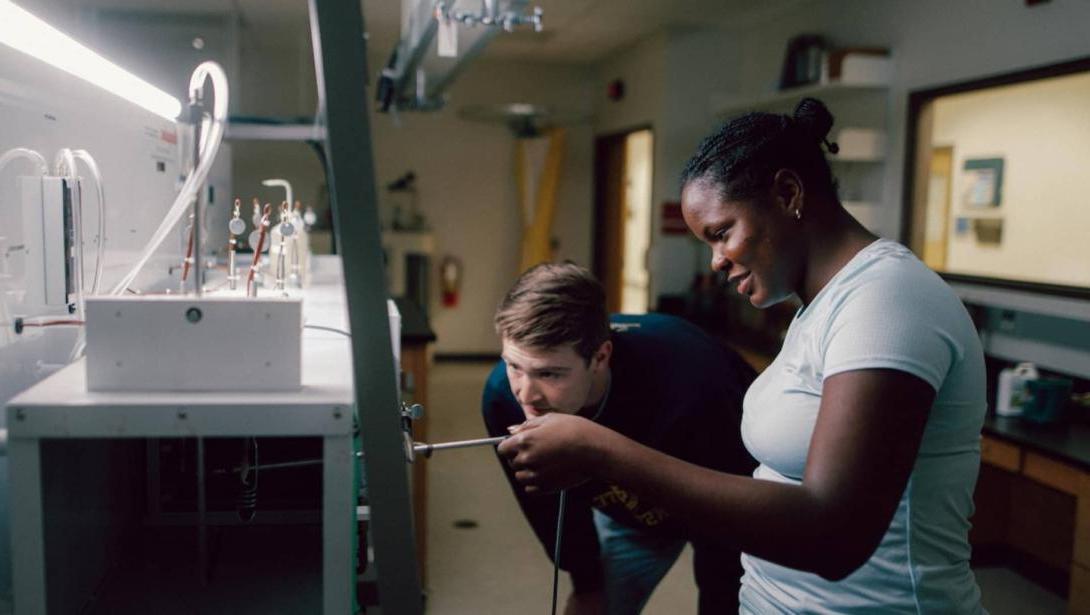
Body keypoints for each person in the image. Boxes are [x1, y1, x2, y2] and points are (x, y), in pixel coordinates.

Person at [498, 98, 988, 613]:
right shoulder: (818, 310)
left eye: (721, 233)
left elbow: (834, 536)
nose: (716, 261)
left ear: (787, 193)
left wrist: (604, 452)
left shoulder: (887, 299)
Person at [482, 262, 757, 614]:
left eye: (549, 373)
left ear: (600, 357)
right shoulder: (501, 396)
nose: (525, 393)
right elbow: (547, 505)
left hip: (721, 497)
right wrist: (586, 583)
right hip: (630, 514)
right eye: (514, 366)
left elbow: (735, 522)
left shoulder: (698, 382)